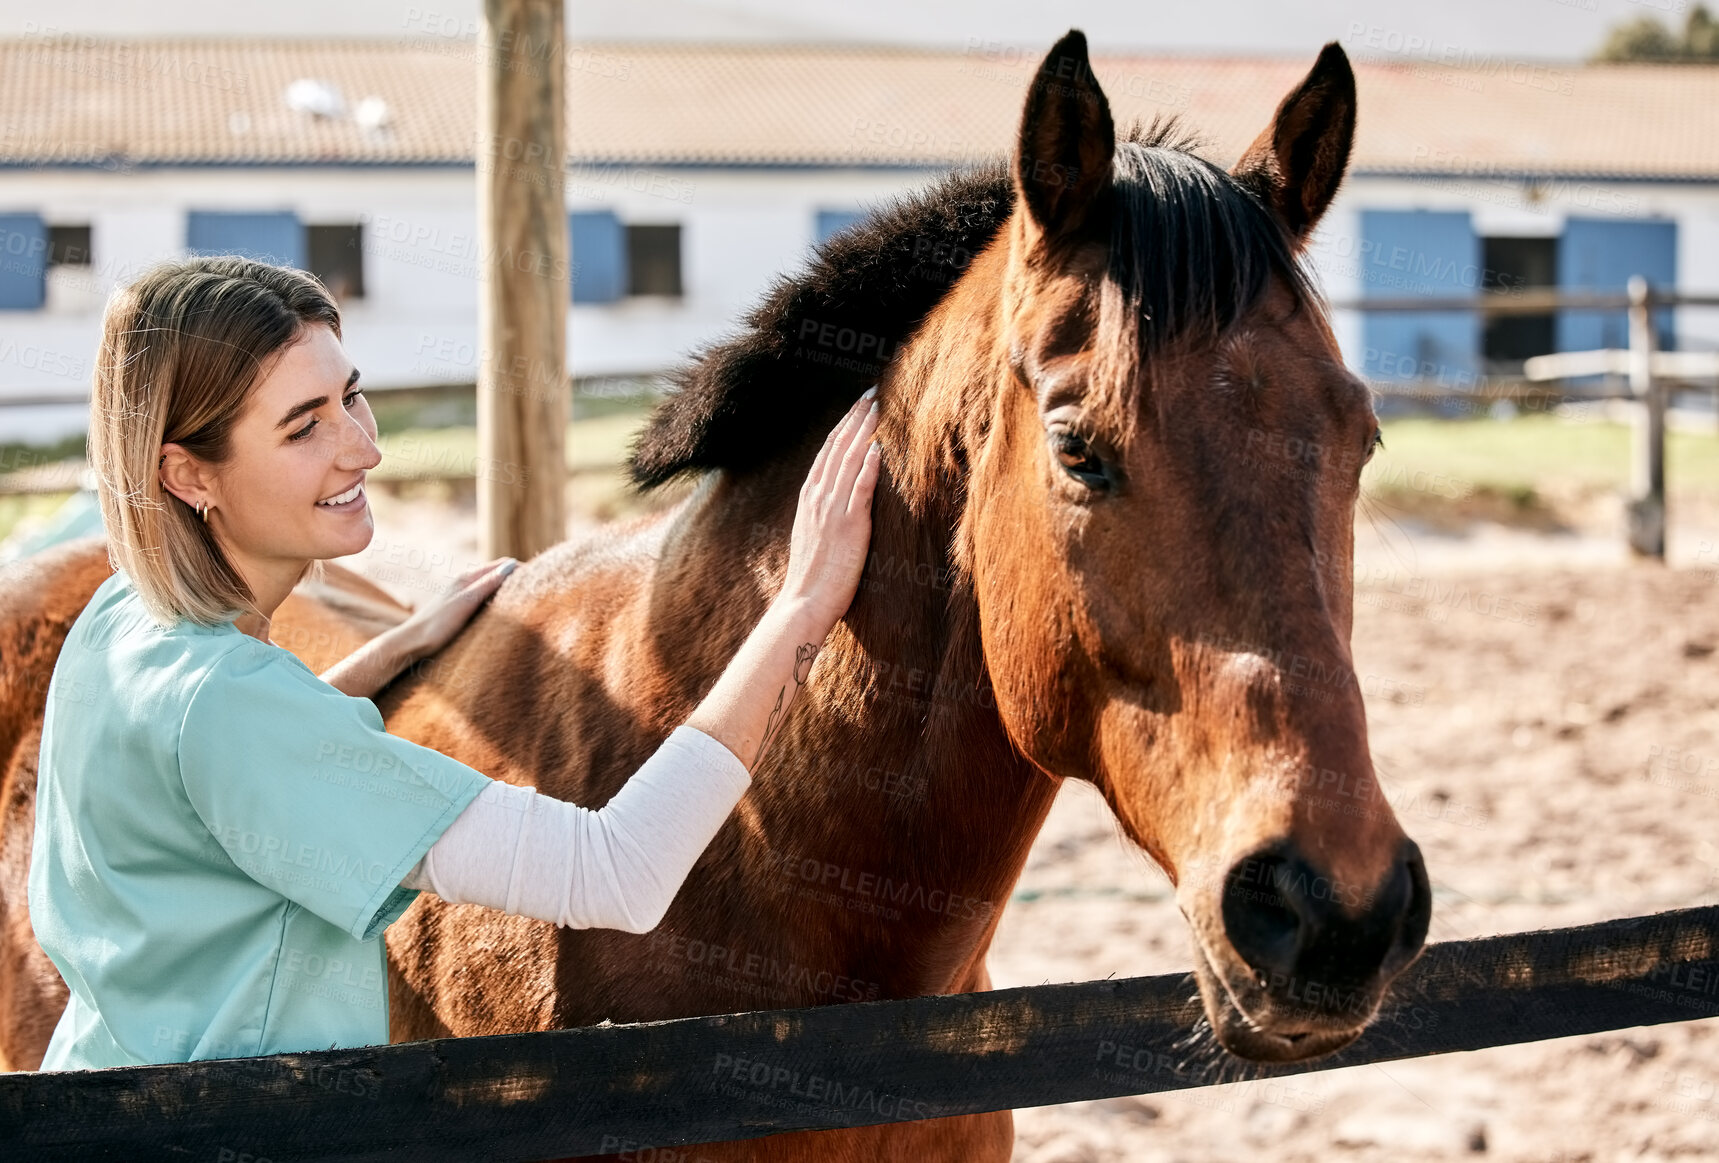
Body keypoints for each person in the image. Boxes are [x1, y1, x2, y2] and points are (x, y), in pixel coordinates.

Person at [26, 256, 882, 1070]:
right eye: (303, 426)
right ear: (186, 474)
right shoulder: (228, 704)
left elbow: (212, 774)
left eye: (350, 396)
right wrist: (801, 604)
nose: (362, 448)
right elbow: (617, 870)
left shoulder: (126, 617)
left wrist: (395, 648)